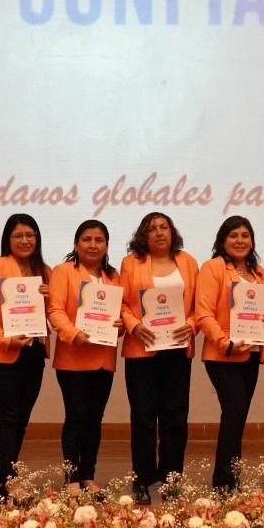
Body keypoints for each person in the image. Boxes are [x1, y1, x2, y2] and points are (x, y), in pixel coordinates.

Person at [118, 212, 200, 504]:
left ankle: (171, 478)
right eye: (152, 229)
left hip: (177, 349)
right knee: (142, 417)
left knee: (175, 417)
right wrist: (134, 326)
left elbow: (198, 305)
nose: (159, 232)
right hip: (142, 348)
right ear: (143, 235)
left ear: (172, 231)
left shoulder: (188, 262)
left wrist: (191, 325)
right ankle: (141, 479)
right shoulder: (131, 264)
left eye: (164, 227)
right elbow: (123, 304)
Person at [195, 215, 264, 491]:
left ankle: (231, 479)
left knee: (238, 415)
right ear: (222, 240)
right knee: (235, 410)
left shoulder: (259, 272)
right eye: (234, 236)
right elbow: (203, 314)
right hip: (223, 355)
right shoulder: (213, 268)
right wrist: (226, 342)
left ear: (252, 240)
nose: (240, 241)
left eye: (245, 235)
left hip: (252, 353)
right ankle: (224, 482)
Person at [0, 213, 52, 502]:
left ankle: (4, 479)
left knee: (22, 418)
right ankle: (6, 480)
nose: (25, 241)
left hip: (33, 352)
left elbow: (55, 312)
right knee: (8, 417)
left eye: (30, 235)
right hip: (2, 353)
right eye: (18, 236)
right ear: (8, 239)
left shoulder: (44, 270)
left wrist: (48, 297)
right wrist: (4, 338)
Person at [47, 220, 124, 492]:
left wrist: (121, 325)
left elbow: (120, 313)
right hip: (73, 357)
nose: (93, 245)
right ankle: (72, 479)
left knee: (94, 419)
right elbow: (54, 310)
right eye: (87, 239)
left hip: (104, 357)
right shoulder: (63, 272)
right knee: (77, 417)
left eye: (99, 240)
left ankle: (88, 475)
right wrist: (72, 333)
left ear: (106, 245)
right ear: (76, 244)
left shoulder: (113, 276)